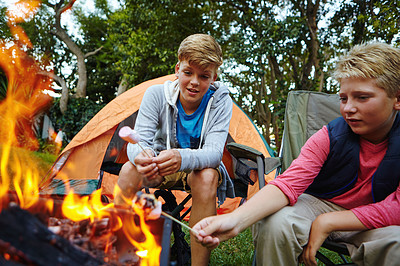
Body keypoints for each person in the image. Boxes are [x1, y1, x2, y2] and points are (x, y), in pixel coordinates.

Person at [193, 42, 400, 266]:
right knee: (274, 222)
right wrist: (234, 220)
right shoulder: (330, 136)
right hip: (320, 203)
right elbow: (288, 183)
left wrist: (328, 222)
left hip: (377, 220)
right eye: (343, 98)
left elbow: (395, 207)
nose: (348, 108)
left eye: (362, 97)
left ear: (397, 98)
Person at [116, 33, 233, 266]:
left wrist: (182, 158)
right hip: (160, 163)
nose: (194, 82)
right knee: (129, 170)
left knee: (207, 176)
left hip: (197, 169)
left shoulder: (221, 101)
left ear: (214, 77)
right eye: (188, 72)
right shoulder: (156, 95)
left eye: (204, 76)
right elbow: (137, 144)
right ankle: (121, 254)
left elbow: (214, 153)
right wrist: (142, 157)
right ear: (177, 68)